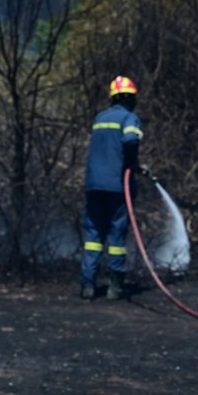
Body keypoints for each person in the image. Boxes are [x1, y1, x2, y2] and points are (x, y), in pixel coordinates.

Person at [80, 75, 146, 300]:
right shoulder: (129, 118)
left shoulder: (100, 118)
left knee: (93, 234)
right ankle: (114, 287)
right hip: (117, 186)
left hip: (94, 185)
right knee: (117, 234)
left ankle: (88, 286)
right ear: (129, 97)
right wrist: (133, 164)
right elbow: (130, 141)